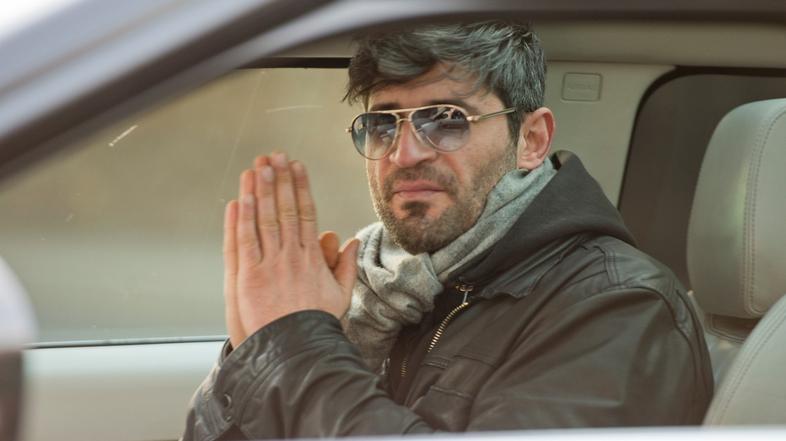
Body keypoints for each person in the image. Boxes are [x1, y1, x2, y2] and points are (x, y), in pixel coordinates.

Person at [182, 21, 713, 440]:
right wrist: (256, 348)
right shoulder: (377, 290)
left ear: (531, 140)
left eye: (447, 119)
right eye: (383, 123)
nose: (404, 154)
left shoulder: (619, 306)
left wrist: (296, 351)